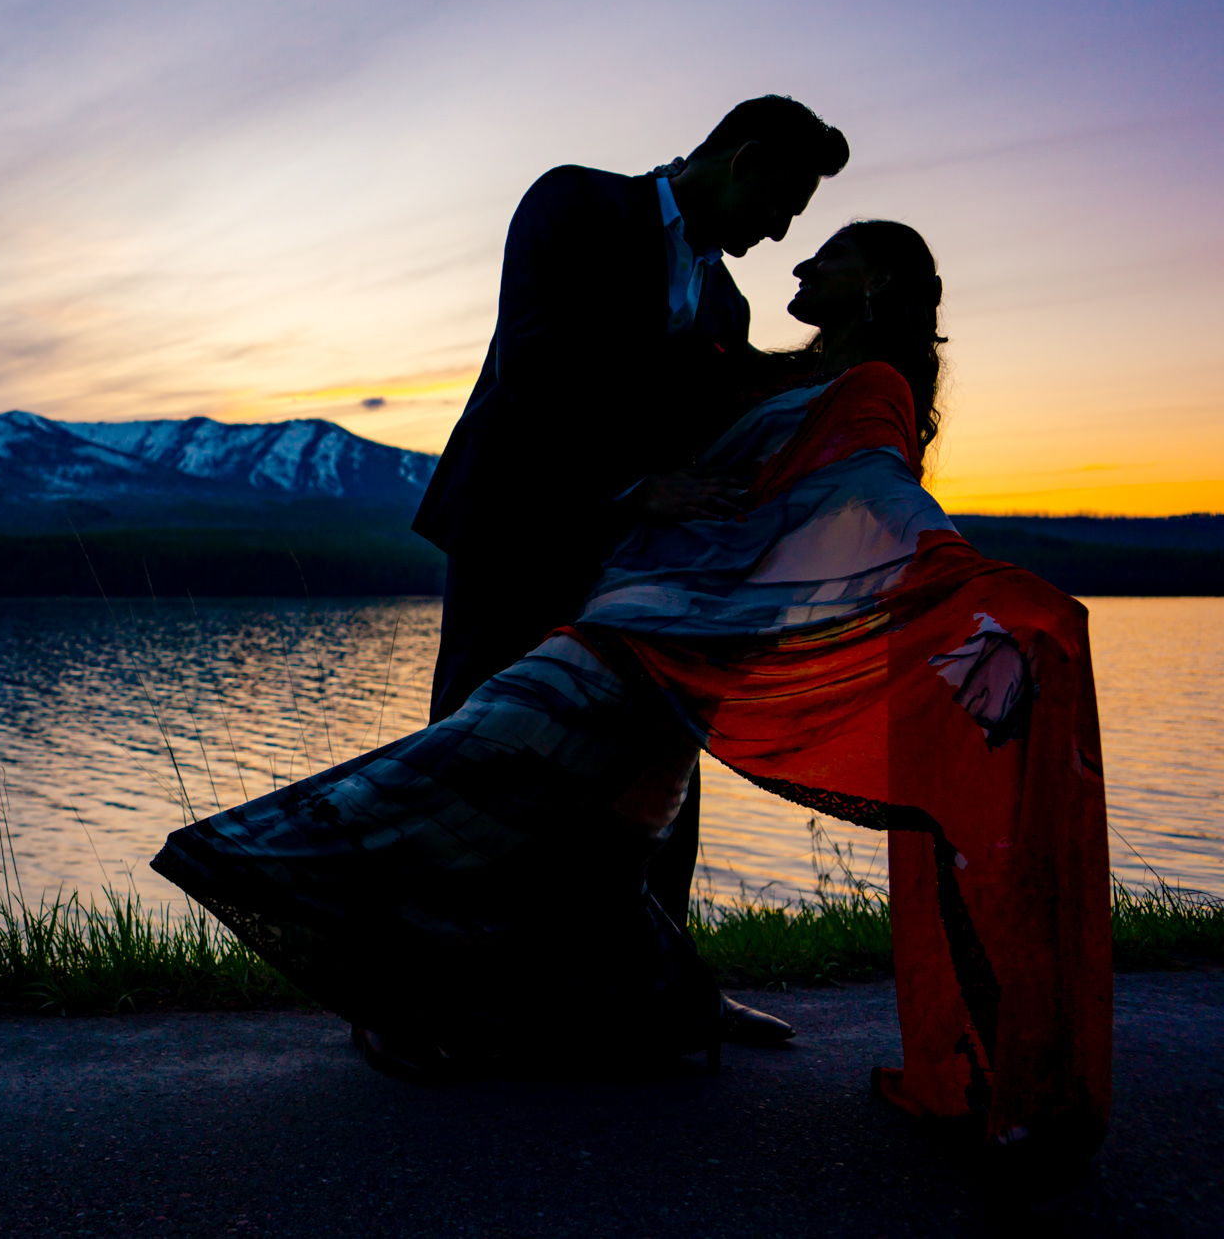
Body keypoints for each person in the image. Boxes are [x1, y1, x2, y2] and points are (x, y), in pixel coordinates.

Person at [154, 223, 1112, 1160]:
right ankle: (340, 933)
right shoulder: (763, 362)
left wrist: (981, 595)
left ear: (878, 285)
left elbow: (887, 504)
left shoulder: (871, 389)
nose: (802, 258)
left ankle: (645, 1002)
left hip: (698, 638)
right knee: (477, 765)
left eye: (834, 253)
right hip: (640, 615)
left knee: (606, 849)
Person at [411, 95, 850, 1045]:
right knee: (471, 755)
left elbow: (713, 413)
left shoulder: (725, 301)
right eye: (781, 203)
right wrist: (635, 483)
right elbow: (535, 366)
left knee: (656, 756)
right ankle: (412, 996)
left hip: (631, 561)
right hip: (520, 527)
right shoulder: (574, 205)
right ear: (743, 157)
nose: (777, 235)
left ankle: (658, 983)